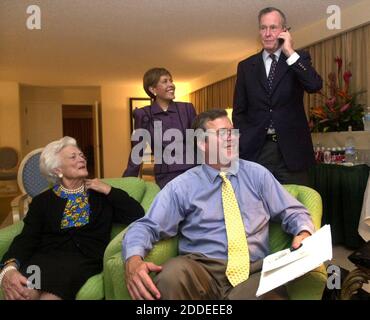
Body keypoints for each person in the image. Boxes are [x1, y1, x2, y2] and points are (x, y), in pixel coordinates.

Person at [123, 109, 315, 300]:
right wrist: (133, 259)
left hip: (254, 270)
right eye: (222, 134)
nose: (231, 138)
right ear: (202, 143)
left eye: (232, 132)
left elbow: (293, 210)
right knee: (171, 275)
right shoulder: (182, 186)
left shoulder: (258, 175)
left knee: (270, 292)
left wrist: (304, 232)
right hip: (201, 270)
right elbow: (146, 226)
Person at [0, 136, 144, 300]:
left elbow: (137, 214)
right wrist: (9, 268)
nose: (81, 159)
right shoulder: (42, 201)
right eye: (73, 157)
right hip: (43, 260)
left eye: (81, 155)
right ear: (57, 170)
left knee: (50, 298)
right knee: (22, 293)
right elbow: (27, 239)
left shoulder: (101, 195)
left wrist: (108, 189)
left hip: (82, 261)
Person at [233, 7, 323, 186]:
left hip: (292, 151)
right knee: (259, 209)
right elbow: (239, 111)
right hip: (258, 150)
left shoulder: (298, 58)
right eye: (263, 28)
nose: (267, 33)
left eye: (273, 28)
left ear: (284, 31)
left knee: (295, 208)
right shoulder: (245, 66)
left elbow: (314, 85)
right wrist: (244, 142)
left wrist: (289, 52)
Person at [123, 67, 197, 189]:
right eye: (165, 81)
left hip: (192, 171)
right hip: (166, 176)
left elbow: (199, 141)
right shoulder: (143, 114)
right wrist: (126, 183)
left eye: (171, 80)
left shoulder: (187, 109)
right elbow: (138, 150)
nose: (171, 84)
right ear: (153, 89)